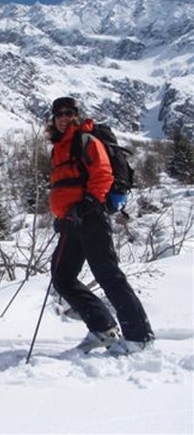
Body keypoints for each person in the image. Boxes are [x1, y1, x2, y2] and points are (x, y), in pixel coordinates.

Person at [46, 96, 155, 355]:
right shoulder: (58, 147)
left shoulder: (86, 141)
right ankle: (103, 328)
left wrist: (88, 203)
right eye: (58, 113)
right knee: (62, 277)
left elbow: (103, 174)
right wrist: (61, 216)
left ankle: (139, 336)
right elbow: (63, 186)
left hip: (90, 218)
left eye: (68, 112)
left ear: (76, 114)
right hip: (70, 221)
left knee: (108, 275)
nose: (63, 117)